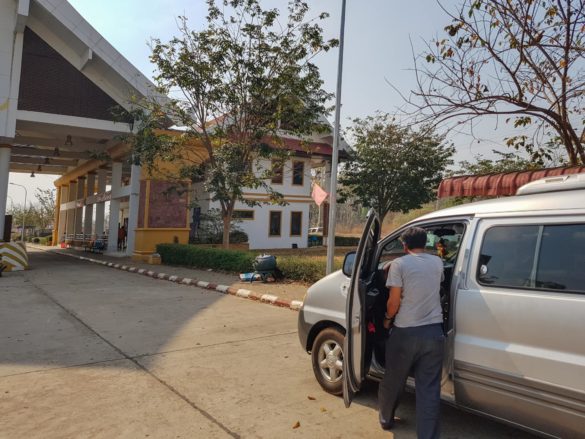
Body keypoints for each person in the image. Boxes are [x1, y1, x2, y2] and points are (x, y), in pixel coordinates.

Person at [378, 227, 445, 439]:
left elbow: (393, 302)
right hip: (434, 333)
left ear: (404, 246)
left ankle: (386, 419)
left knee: (393, 380)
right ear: (425, 243)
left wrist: (387, 320)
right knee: (429, 391)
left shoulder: (399, 264)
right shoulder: (438, 262)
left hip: (405, 333)